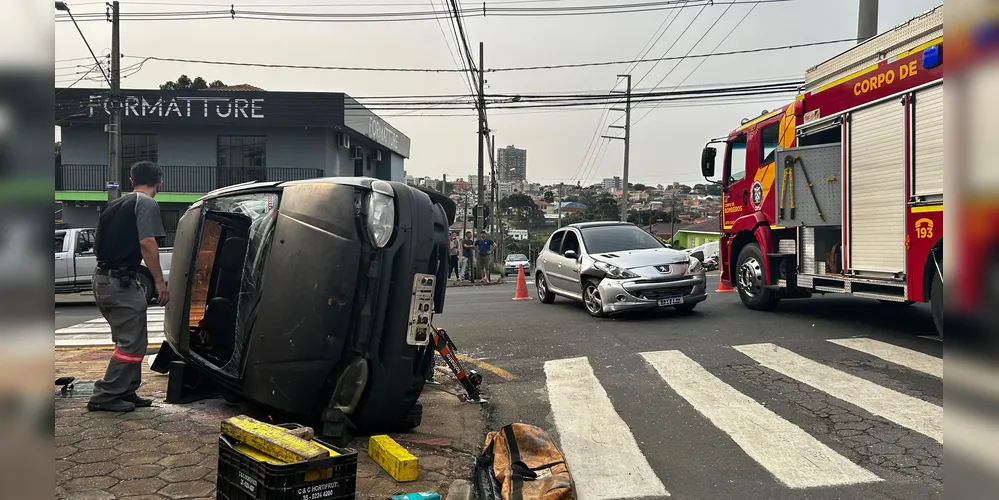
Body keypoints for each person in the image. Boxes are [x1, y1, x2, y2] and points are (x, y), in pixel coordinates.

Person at [87, 161, 170, 413]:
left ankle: (126, 390)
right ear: (160, 183)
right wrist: (159, 282)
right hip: (120, 282)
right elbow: (147, 242)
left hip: (105, 279)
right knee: (131, 343)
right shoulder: (145, 203)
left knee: (130, 340)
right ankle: (105, 394)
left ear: (131, 181)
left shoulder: (114, 204)